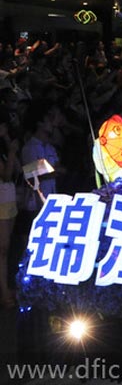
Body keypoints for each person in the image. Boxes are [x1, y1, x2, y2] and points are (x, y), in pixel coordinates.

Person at [0, 108, 20, 309]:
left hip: (8, 198)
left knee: (6, 248)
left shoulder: (5, 147)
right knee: (3, 250)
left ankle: (6, 288)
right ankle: (4, 292)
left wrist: (9, 145)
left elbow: (15, 171)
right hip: (2, 201)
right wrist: (12, 151)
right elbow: (5, 175)